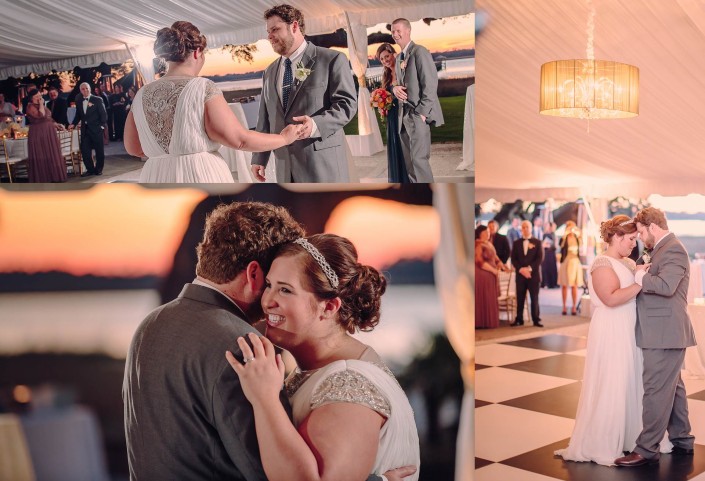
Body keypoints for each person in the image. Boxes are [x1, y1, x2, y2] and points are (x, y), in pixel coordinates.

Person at [123, 202, 305, 479]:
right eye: (273, 283)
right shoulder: (245, 346)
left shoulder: (149, 324)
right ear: (254, 274)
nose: (275, 299)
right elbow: (271, 471)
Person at [226, 234, 420, 481]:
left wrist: (264, 399)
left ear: (329, 307)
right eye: (269, 285)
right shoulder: (320, 368)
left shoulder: (350, 385)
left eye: (285, 290)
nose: (267, 301)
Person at [124, 21, 302, 183]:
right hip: (198, 174)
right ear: (197, 52)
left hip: (155, 177)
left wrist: (166, 156)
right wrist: (284, 138)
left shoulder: (141, 93)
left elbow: (133, 148)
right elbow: (239, 140)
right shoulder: (202, 88)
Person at [556, 215, 651, 466]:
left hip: (629, 328)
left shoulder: (629, 263)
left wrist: (639, 273)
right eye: (630, 239)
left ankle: (630, 436)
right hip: (611, 329)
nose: (634, 244)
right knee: (613, 379)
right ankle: (603, 440)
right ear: (616, 237)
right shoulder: (601, 263)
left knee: (629, 379)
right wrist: (640, 282)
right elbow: (610, 298)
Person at [615, 207, 696, 467]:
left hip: (664, 333)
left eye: (640, 232)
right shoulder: (662, 248)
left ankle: (647, 449)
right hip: (664, 333)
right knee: (674, 390)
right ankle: (683, 439)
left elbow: (665, 286)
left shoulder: (673, 248)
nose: (639, 238)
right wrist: (642, 269)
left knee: (655, 391)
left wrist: (640, 275)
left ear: (653, 226)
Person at [250, 4, 357, 183]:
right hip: (284, 166)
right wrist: (259, 158)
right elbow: (265, 119)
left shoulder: (332, 60)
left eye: (275, 29)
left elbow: (347, 105)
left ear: (294, 26)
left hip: (322, 165)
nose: (270, 36)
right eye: (268, 31)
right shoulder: (269, 72)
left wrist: (315, 125)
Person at [391, 18, 444, 183]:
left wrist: (421, 113)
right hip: (403, 117)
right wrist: (394, 89)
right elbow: (399, 84)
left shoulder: (419, 51)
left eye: (398, 30)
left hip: (416, 115)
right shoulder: (400, 57)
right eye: (392, 31)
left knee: (420, 161)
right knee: (411, 164)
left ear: (408, 31)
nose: (395, 34)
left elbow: (430, 84)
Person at [375, 43, 409, 183]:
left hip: (403, 113)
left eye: (387, 56)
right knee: (395, 147)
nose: (385, 61)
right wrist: (380, 102)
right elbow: (387, 94)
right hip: (392, 116)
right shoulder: (386, 74)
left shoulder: (402, 69)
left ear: (393, 54)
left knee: (405, 148)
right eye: (381, 59)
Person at [24, 89, 67, 183]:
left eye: (40, 95)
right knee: (42, 152)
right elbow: (41, 115)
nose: (40, 97)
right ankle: (44, 177)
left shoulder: (41, 105)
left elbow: (48, 118)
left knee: (51, 152)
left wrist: (56, 124)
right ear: (33, 97)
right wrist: (41, 104)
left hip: (48, 132)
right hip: (38, 133)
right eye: (38, 96)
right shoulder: (30, 107)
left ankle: (54, 176)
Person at [69, 82, 107, 177]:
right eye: (83, 89)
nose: (85, 90)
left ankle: (98, 169)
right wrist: (73, 123)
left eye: (87, 88)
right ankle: (90, 170)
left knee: (99, 151)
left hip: (96, 129)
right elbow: (78, 115)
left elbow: (104, 115)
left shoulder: (98, 99)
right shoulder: (79, 101)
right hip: (85, 130)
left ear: (90, 89)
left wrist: (101, 126)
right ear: (80, 91)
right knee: (85, 150)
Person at [510, 220, 543, 327]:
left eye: (527, 227)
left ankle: (536, 319)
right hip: (520, 275)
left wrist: (529, 269)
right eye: (523, 227)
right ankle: (519, 319)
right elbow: (513, 259)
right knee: (520, 297)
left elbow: (540, 258)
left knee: (534, 298)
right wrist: (521, 269)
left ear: (531, 228)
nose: (525, 229)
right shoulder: (516, 243)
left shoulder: (537, 242)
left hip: (533, 275)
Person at [475, 225, 503, 329]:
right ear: (480, 233)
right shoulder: (477, 244)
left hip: (490, 274)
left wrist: (501, 264)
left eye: (488, 232)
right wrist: (493, 270)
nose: (488, 234)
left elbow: (495, 257)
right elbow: (479, 261)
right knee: (484, 296)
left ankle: (488, 321)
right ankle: (481, 321)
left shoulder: (489, 244)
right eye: (485, 232)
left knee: (490, 297)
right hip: (482, 274)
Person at [558, 220, 584, 315]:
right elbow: (560, 245)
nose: (571, 229)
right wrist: (565, 235)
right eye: (569, 227)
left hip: (575, 262)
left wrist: (578, 234)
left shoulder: (577, 238)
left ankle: (573, 307)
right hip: (565, 261)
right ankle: (564, 306)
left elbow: (581, 246)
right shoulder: (564, 238)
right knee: (564, 285)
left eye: (572, 227)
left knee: (574, 285)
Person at [541, 222, 558, 288]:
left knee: (552, 267)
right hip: (546, 253)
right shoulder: (544, 235)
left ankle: (552, 283)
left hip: (551, 252)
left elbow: (555, 245)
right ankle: (546, 283)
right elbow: (542, 244)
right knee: (545, 268)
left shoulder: (553, 235)